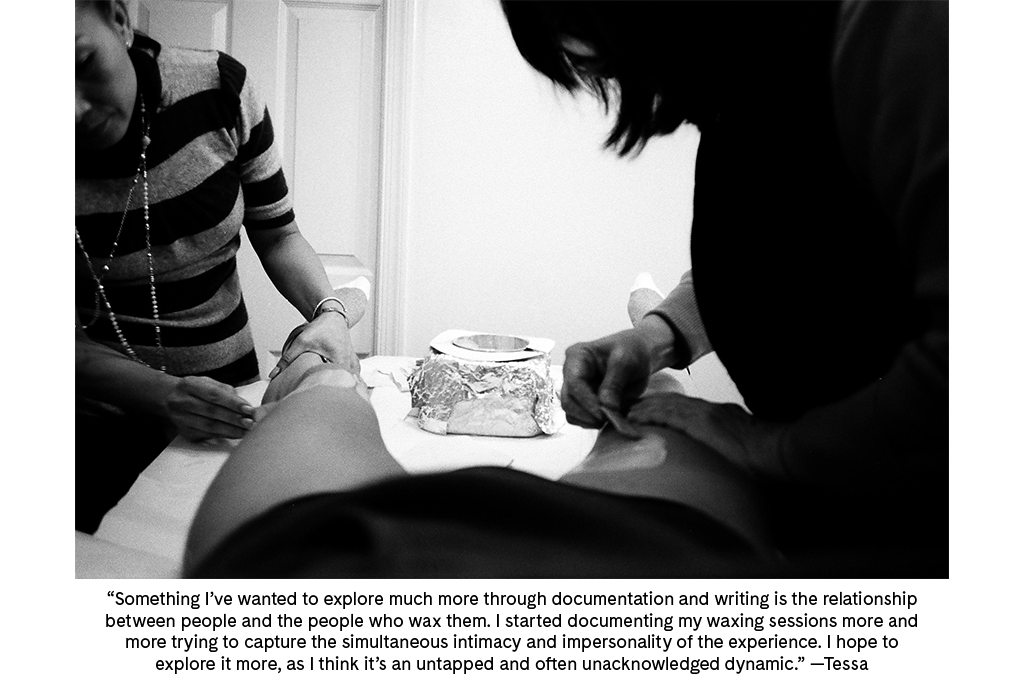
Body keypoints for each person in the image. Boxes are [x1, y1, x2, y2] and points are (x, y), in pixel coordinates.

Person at [503, 0, 949, 558]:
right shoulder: (741, 84)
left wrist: (774, 448)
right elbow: (794, 258)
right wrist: (656, 337)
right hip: (839, 503)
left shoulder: (900, 25)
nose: (596, 74)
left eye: (588, 41)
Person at [74, 0, 364, 533]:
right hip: (97, 427)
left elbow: (279, 235)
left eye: (82, 63)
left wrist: (327, 313)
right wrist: (163, 395)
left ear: (118, 18)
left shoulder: (220, 91)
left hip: (228, 405)